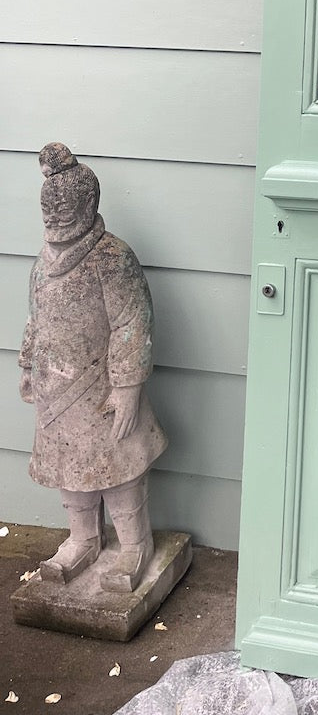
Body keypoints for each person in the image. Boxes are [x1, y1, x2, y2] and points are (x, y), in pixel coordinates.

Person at [18, 143, 168, 594]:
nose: (54, 220)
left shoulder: (111, 257)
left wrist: (127, 387)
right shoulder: (43, 263)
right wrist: (28, 364)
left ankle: (134, 544)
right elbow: (36, 317)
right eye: (48, 211)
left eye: (63, 211)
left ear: (88, 205)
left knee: (118, 465)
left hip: (102, 387)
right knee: (70, 466)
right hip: (56, 386)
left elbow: (131, 323)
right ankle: (83, 537)